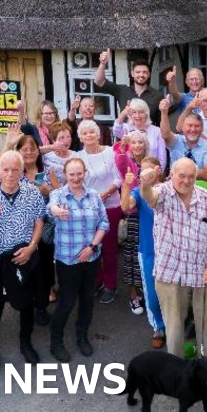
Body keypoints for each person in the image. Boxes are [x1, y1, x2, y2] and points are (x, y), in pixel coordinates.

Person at [141, 158, 207, 357]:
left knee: (206, 326)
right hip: (170, 274)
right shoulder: (162, 192)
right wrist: (145, 183)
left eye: (191, 177)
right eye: (182, 176)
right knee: (174, 328)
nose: (186, 181)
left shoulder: (205, 197)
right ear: (172, 173)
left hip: (201, 273)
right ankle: (176, 371)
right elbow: (149, 197)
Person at [0, 150, 45, 371]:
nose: (11, 173)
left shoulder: (32, 193)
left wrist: (32, 247)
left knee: (25, 303)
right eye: (6, 169)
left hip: (24, 255)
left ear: (22, 170)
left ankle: (26, 343)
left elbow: (39, 221)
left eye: (16, 169)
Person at [47, 157, 109, 361]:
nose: (75, 177)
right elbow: (51, 210)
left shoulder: (94, 196)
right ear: (65, 175)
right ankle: (56, 342)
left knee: (87, 300)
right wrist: (56, 211)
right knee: (67, 301)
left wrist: (92, 248)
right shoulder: (58, 195)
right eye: (71, 174)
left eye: (79, 173)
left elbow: (103, 223)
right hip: (67, 260)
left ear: (85, 173)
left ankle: (82, 336)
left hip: (91, 257)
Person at [73, 120, 122, 305]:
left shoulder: (111, 152)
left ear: (98, 134)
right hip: (89, 208)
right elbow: (77, 182)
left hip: (111, 205)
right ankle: (97, 281)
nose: (89, 136)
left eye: (92, 132)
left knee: (109, 248)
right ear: (80, 137)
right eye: (85, 133)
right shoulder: (78, 157)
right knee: (93, 247)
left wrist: (107, 193)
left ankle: (110, 285)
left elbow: (119, 178)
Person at [10, 132, 57, 326]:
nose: (29, 152)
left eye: (32, 149)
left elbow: (61, 197)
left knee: (45, 268)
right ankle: (26, 303)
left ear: (39, 151)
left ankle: (42, 305)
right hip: (21, 229)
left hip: (44, 230)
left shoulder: (48, 171)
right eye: (24, 149)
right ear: (19, 152)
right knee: (25, 267)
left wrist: (49, 192)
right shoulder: (14, 172)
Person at [120, 156, 167, 349]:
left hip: (172, 250)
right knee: (153, 294)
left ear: (158, 170)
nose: (144, 175)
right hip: (148, 251)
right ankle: (159, 326)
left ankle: (177, 325)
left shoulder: (170, 188)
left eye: (148, 171)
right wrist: (126, 185)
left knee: (175, 292)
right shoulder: (138, 192)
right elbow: (125, 206)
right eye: (142, 172)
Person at [115, 130, 150, 315]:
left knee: (146, 254)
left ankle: (145, 289)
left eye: (140, 142)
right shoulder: (126, 161)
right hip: (132, 211)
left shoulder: (150, 162)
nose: (137, 146)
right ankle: (133, 295)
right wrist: (122, 146)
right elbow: (120, 163)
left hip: (148, 213)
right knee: (131, 254)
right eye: (134, 142)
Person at [93, 49, 166, 126]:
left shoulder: (157, 96)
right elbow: (99, 82)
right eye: (138, 72)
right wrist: (103, 64)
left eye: (144, 72)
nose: (141, 75)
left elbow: (160, 124)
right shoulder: (122, 90)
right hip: (125, 135)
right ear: (132, 74)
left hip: (147, 136)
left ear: (149, 74)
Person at [160, 108, 207, 181]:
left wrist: (178, 172)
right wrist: (164, 113)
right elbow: (165, 134)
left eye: (197, 126)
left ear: (202, 129)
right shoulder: (176, 140)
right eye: (190, 125)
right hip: (174, 186)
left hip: (197, 188)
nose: (193, 129)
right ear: (183, 128)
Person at [113, 98, 168, 169]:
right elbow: (116, 130)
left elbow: (162, 157)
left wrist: (158, 175)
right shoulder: (126, 128)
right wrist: (123, 113)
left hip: (151, 173)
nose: (137, 116)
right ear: (130, 114)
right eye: (134, 112)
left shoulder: (157, 131)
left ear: (146, 113)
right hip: (131, 173)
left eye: (141, 112)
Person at [42, 122, 75, 188]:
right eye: (62, 138)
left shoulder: (76, 157)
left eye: (68, 137)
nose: (66, 141)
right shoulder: (46, 157)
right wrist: (51, 147)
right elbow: (34, 151)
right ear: (54, 140)